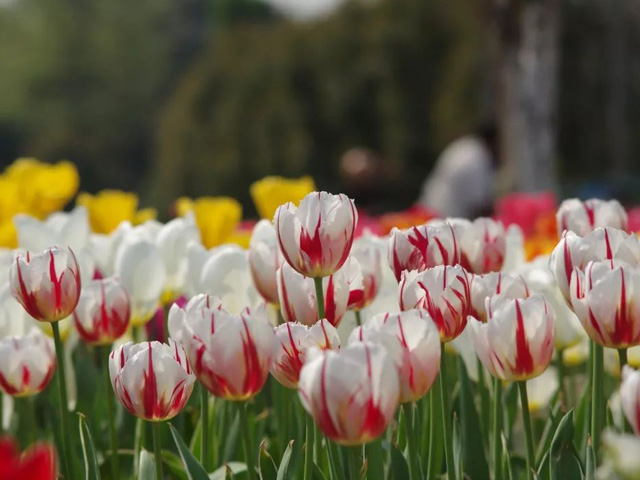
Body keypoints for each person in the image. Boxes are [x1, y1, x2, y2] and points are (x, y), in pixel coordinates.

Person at [417, 122, 498, 218]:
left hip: (430, 205)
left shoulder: (466, 147)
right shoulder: (477, 158)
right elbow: (480, 206)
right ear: (494, 141)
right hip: (443, 214)